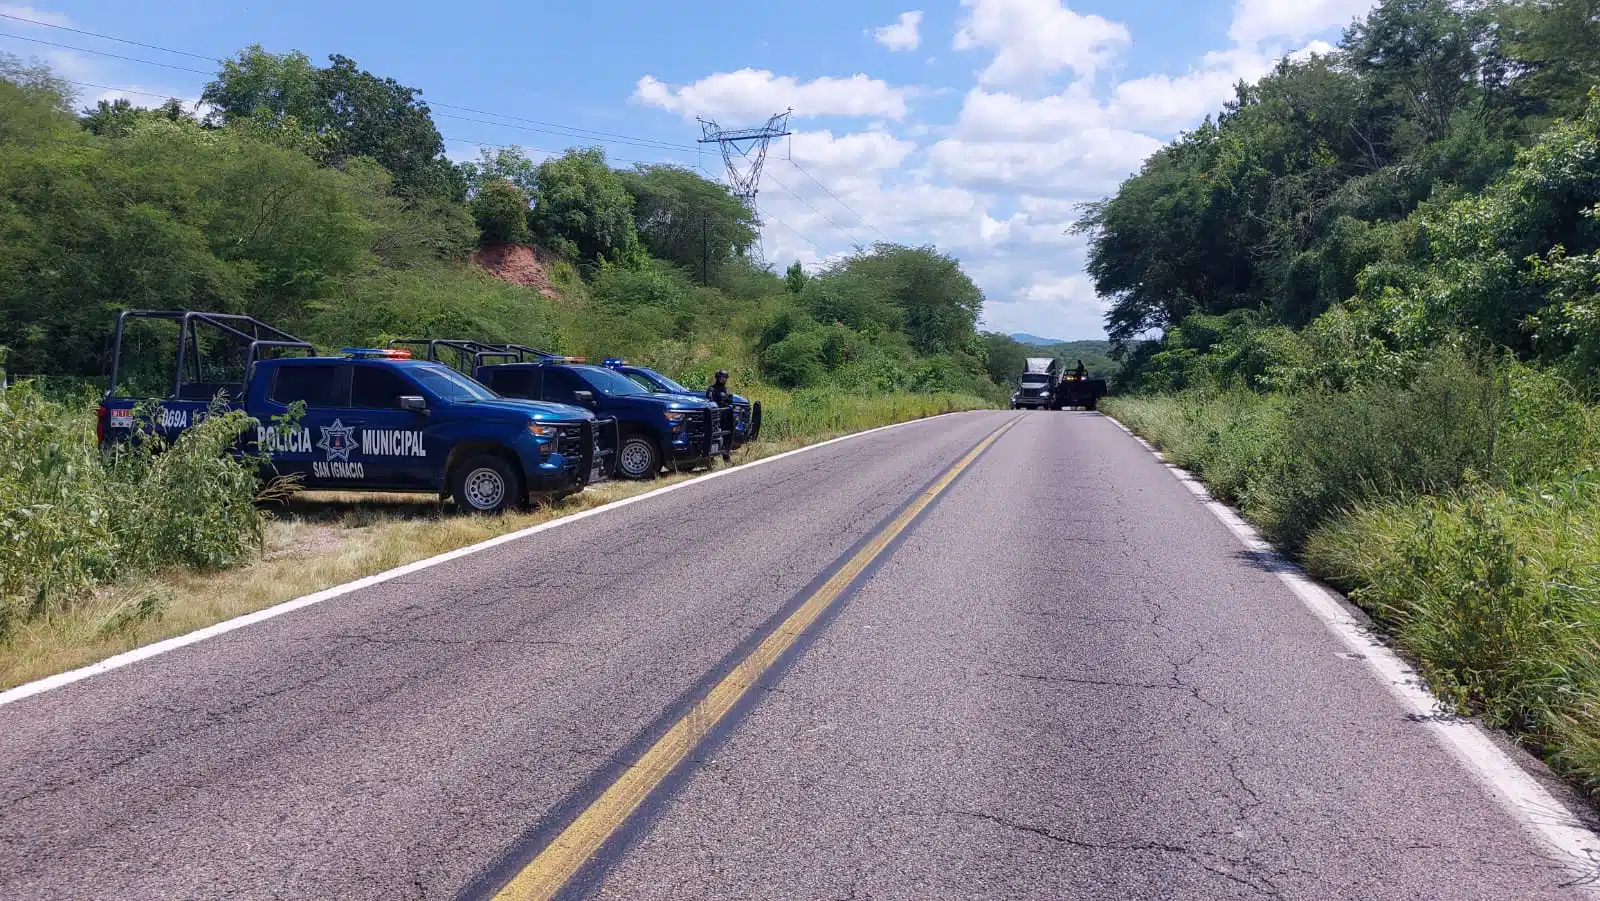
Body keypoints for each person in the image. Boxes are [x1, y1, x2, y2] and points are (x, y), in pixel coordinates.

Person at [706, 370, 734, 462]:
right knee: (714, 436)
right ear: (718, 377)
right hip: (715, 416)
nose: (724, 380)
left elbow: (729, 402)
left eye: (725, 378)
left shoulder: (726, 389)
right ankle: (711, 458)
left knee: (727, 435)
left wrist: (730, 401)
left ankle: (726, 455)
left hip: (725, 416)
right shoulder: (712, 388)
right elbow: (710, 401)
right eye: (722, 378)